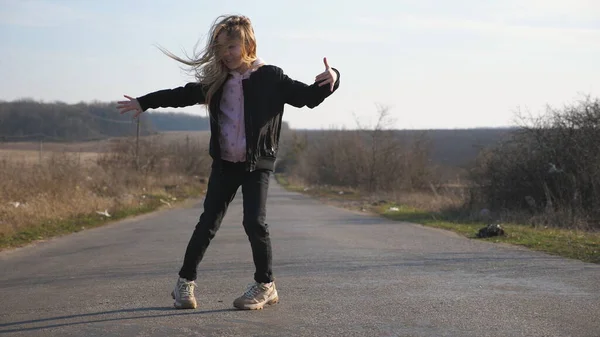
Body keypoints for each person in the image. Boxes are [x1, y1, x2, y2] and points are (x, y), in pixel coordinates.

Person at [116, 14, 340, 310]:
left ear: (248, 45)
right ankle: (184, 284)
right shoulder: (217, 81)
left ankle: (265, 285)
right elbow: (182, 95)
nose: (225, 53)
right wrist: (144, 102)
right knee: (208, 222)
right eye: (220, 47)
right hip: (225, 164)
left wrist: (332, 78)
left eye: (231, 46)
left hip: (257, 163)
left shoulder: (271, 77)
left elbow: (307, 98)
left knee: (254, 222)